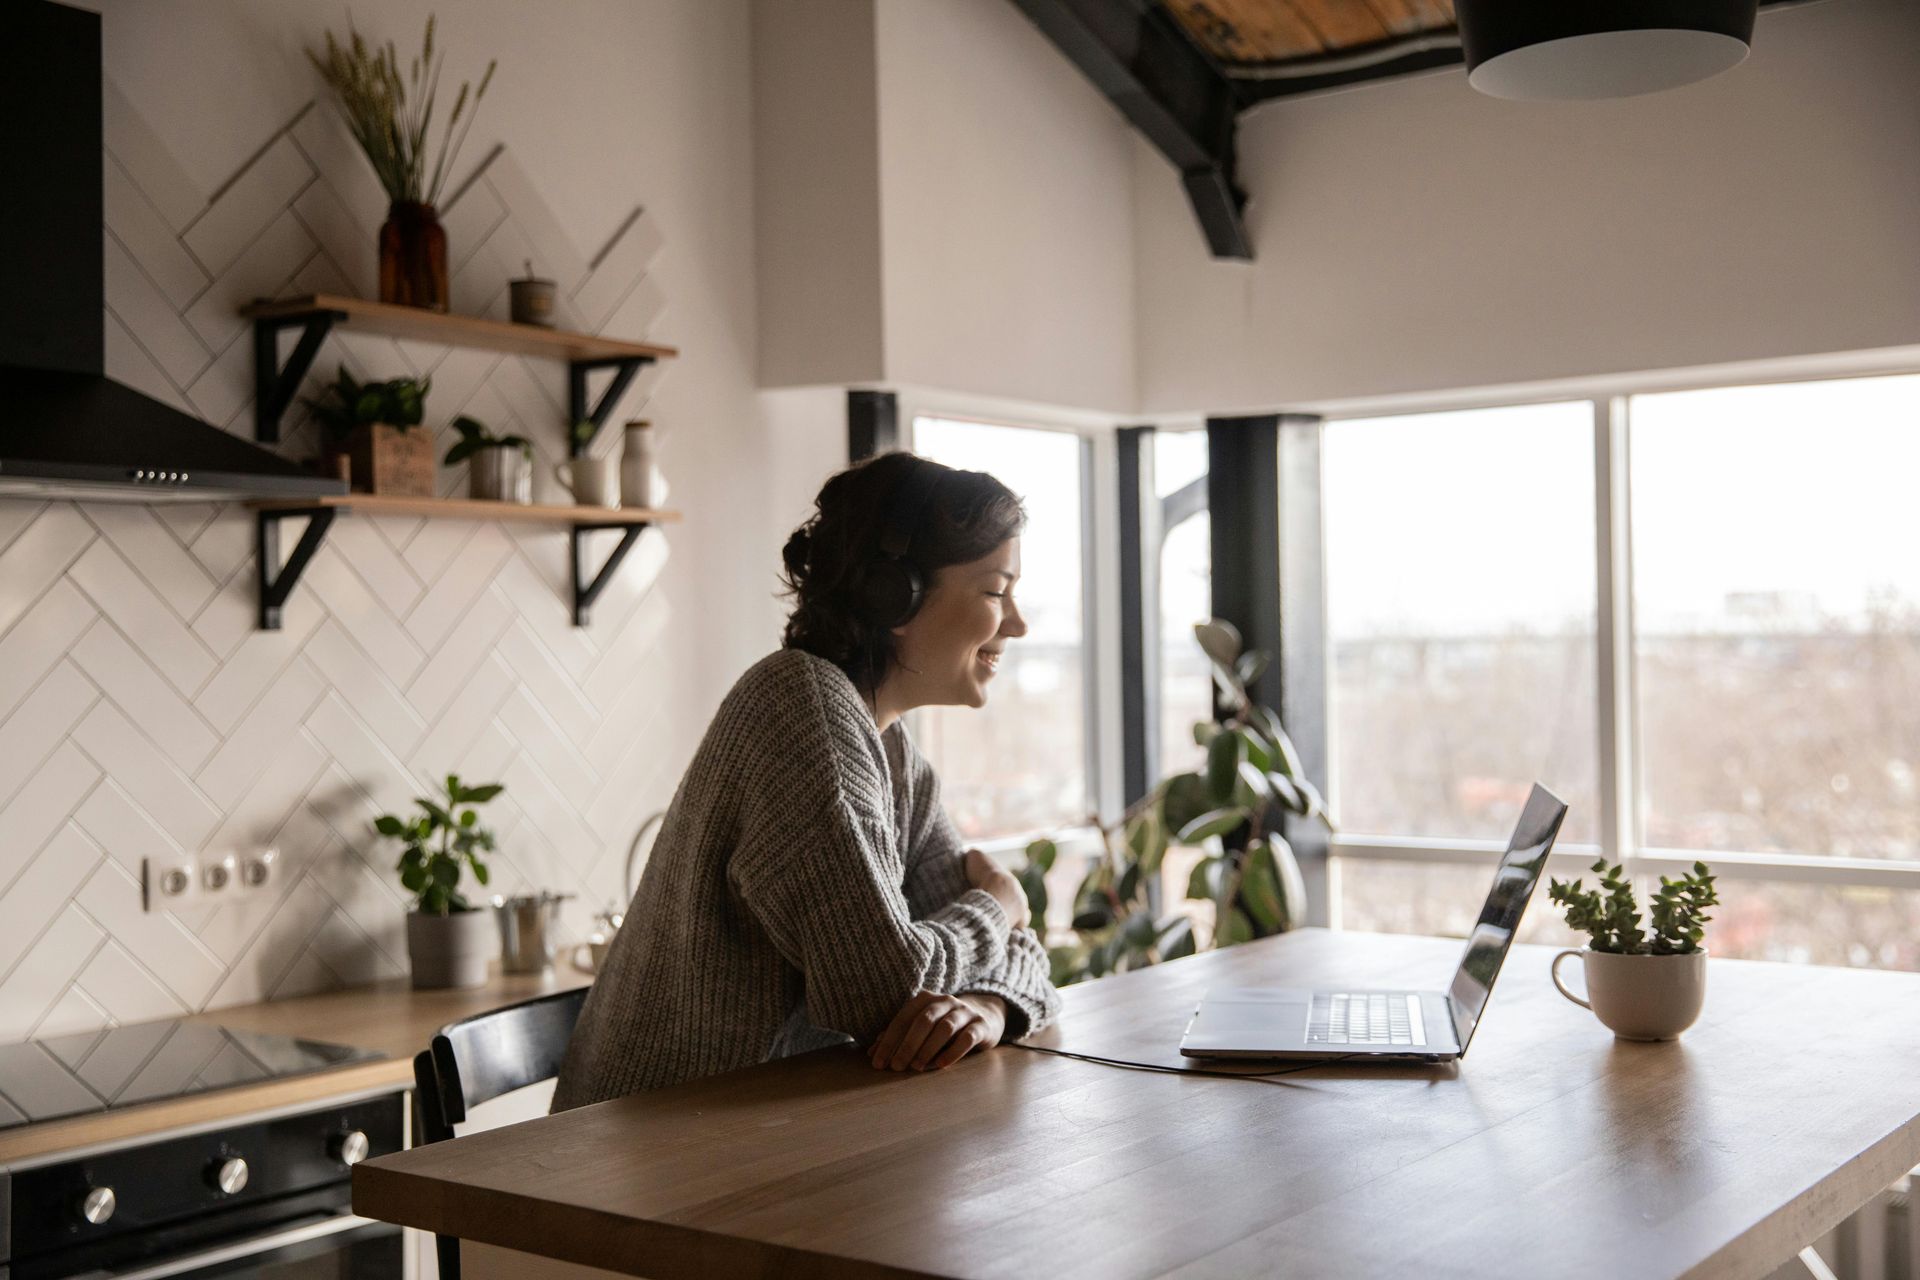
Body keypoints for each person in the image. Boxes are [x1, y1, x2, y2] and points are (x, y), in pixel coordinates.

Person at [551, 450, 1064, 1110]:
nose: (1017, 624)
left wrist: (990, 1006)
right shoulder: (802, 710)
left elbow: (1022, 964)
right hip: (634, 1166)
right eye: (996, 592)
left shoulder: (894, 752)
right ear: (894, 593)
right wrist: (1000, 906)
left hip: (747, 1143)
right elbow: (886, 993)